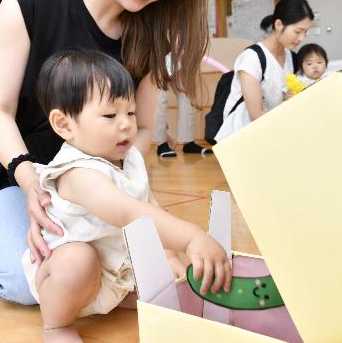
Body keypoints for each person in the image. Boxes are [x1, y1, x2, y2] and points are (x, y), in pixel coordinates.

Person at [0, 0, 210, 306]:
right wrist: (32, 187)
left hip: (95, 181)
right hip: (18, 169)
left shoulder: (149, 39)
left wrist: (120, 190)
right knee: (27, 284)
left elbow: (145, 128)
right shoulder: (30, 4)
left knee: (123, 268)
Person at [22, 50, 229, 342]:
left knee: (162, 270)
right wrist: (193, 237)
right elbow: (130, 212)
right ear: (64, 124)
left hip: (115, 270)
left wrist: (171, 257)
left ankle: (119, 296)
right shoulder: (76, 173)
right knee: (78, 260)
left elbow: (150, 206)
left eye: (130, 112)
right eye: (110, 115)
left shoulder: (129, 158)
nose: (126, 124)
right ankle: (57, 325)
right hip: (69, 277)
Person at [214, 0, 313, 142]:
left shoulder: (292, 58)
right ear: (279, 25)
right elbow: (256, 115)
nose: (301, 38)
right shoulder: (252, 58)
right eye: (298, 31)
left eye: (306, 32)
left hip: (271, 130)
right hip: (243, 137)